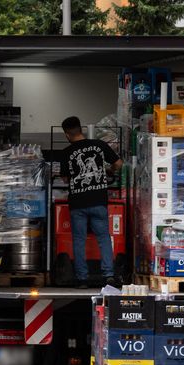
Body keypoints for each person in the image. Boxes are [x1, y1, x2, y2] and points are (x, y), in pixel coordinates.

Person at [60, 116, 124, 289]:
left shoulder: (66, 152)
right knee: (103, 238)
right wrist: (109, 170)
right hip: (98, 201)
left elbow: (65, 179)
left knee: (79, 240)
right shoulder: (99, 145)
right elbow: (118, 163)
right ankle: (109, 276)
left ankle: (82, 279)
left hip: (78, 203)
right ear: (81, 129)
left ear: (67, 134)